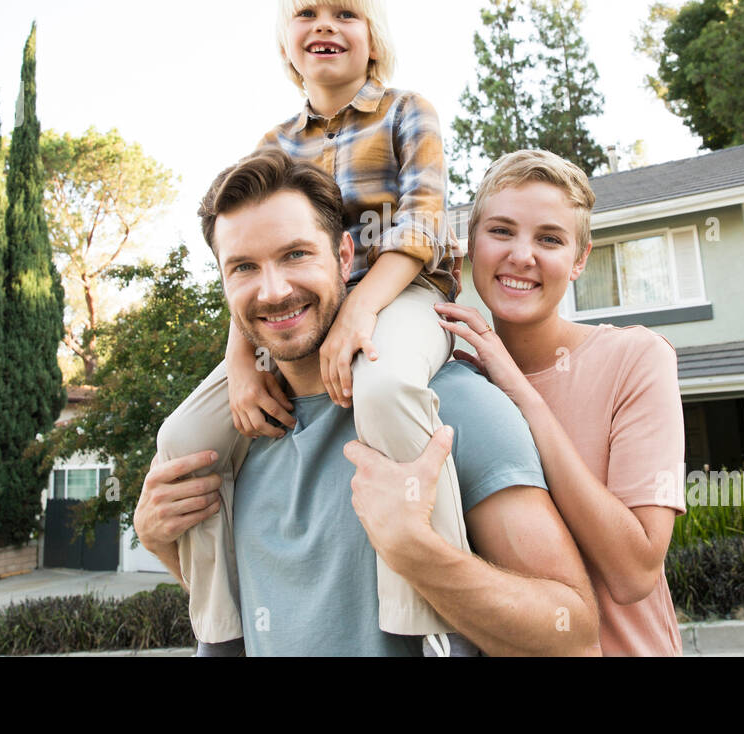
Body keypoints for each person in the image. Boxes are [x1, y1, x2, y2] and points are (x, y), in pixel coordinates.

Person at [134, 147, 600, 656]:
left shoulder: (448, 408)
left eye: (295, 255)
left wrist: (418, 552)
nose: (273, 290)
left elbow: (573, 636)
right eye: (244, 267)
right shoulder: (230, 435)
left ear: (343, 256)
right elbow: (265, 612)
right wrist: (160, 542)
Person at [162, 0, 475, 655]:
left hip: (405, 295)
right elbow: (248, 260)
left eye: (344, 14)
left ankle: (429, 621)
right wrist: (242, 359)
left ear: (374, 37)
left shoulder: (406, 111)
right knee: (183, 440)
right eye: (307, 14)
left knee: (387, 386)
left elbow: (425, 223)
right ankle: (222, 633)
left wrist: (363, 310)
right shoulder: (275, 144)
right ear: (285, 43)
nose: (324, 26)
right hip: (310, 313)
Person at [433, 150, 687, 656]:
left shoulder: (635, 359)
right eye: (501, 231)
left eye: (549, 239)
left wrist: (519, 391)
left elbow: (635, 572)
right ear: (470, 246)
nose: (522, 255)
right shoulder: (449, 382)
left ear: (579, 260)